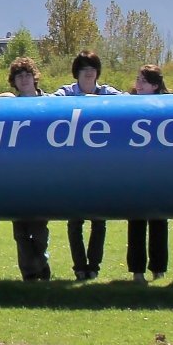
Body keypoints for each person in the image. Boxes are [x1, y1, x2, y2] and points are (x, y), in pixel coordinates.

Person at [53, 50, 120, 281]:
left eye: (92, 67)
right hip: (74, 168)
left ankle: (94, 267)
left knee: (99, 221)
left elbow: (128, 103)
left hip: (101, 168)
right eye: (84, 68)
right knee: (75, 222)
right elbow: (50, 102)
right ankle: (79, 267)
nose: (89, 72)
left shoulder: (108, 92)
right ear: (77, 72)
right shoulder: (66, 92)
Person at [6, 58, 53, 281]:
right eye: (19, 76)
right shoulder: (10, 107)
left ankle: (41, 263)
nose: (24, 80)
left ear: (34, 77)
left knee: (40, 229)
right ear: (14, 81)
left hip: (42, 175)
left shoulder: (50, 104)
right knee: (21, 231)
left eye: (27, 75)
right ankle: (29, 272)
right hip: (16, 176)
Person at [126, 65, 171, 283]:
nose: (139, 83)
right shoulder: (127, 105)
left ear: (155, 85)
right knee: (136, 223)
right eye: (137, 79)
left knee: (159, 222)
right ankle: (137, 271)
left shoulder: (166, 108)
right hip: (134, 174)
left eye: (143, 80)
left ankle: (159, 269)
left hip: (159, 175)